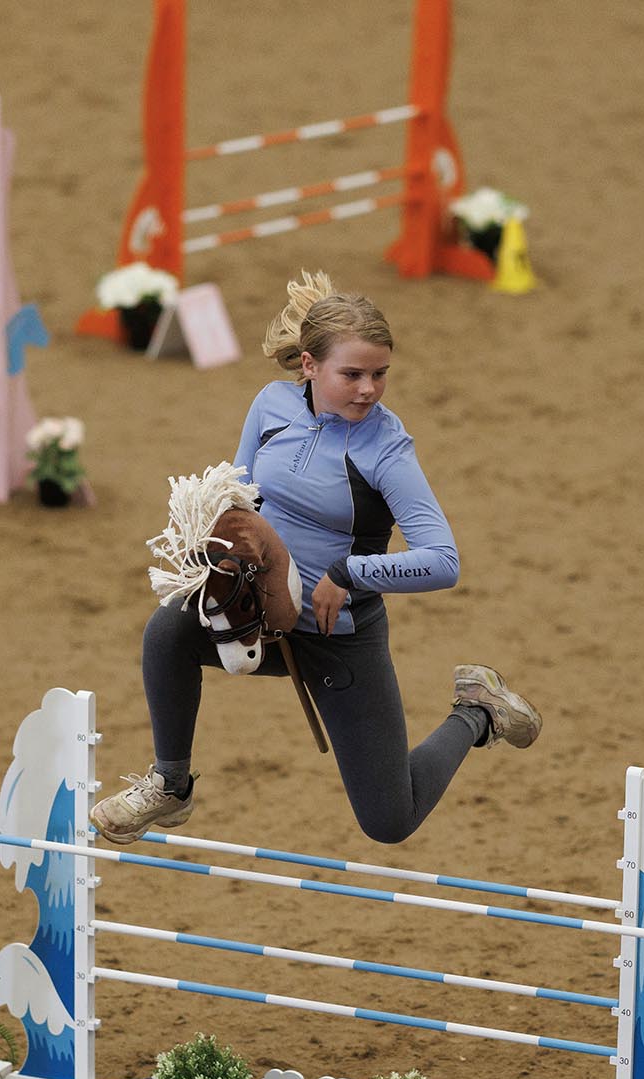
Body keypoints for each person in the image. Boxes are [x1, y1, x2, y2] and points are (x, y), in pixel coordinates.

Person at [90, 271, 539, 846]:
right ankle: (170, 785)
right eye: (352, 375)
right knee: (167, 630)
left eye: (380, 375)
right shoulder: (270, 405)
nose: (369, 390)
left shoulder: (388, 449)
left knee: (388, 821)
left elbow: (443, 560)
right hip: (261, 614)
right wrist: (224, 559)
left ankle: (477, 710)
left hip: (338, 634)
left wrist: (346, 573)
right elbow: (239, 498)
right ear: (309, 366)